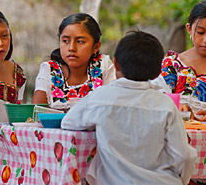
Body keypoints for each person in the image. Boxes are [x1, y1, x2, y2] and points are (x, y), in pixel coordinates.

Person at [61, 31, 197, 185]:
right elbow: (184, 156)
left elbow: (68, 122)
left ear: (116, 63)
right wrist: (182, 180)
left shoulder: (99, 98)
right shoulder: (165, 104)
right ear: (158, 72)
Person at [32, 13, 116, 110]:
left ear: (96, 46)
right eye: (65, 41)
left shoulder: (103, 66)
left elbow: (113, 109)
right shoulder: (49, 70)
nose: (72, 48)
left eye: (80, 41)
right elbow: (36, 113)